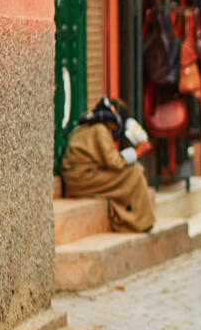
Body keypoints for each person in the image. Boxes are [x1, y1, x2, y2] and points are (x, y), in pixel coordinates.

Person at [60, 97, 155, 232]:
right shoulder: (100, 130)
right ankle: (138, 221)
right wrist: (138, 151)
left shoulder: (89, 128)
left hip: (78, 180)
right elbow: (114, 162)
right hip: (82, 180)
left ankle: (136, 218)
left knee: (133, 171)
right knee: (134, 171)